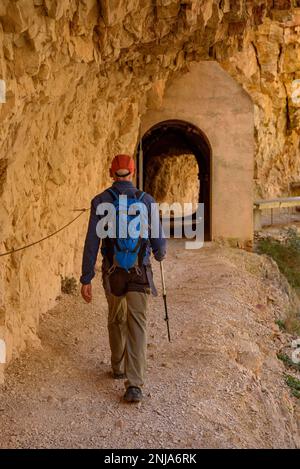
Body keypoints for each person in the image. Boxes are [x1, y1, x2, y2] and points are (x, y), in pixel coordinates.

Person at [80, 154, 166, 403]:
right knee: (136, 324)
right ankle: (134, 384)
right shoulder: (147, 201)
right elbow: (159, 245)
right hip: (139, 272)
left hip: (112, 272)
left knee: (116, 318)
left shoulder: (100, 202)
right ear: (133, 173)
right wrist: (159, 254)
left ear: (110, 173)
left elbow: (91, 243)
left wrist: (86, 277)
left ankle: (117, 367)